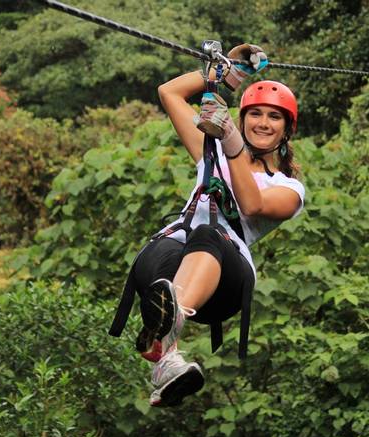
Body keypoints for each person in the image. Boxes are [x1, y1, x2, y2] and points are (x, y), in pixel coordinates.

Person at [109, 44, 305, 407]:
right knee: (162, 247)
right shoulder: (209, 150)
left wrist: (230, 140)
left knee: (208, 233)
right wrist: (223, 77)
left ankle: (170, 319)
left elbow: (252, 203)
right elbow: (169, 93)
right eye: (255, 114)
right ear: (243, 117)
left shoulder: (289, 188)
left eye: (274, 117)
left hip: (226, 280)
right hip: (179, 258)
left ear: (286, 130)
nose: (263, 123)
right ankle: (167, 361)